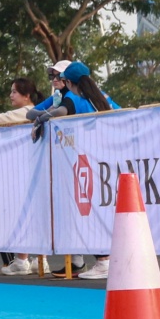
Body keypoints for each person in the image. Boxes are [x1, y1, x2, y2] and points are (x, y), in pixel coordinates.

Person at [35, 61, 119, 281]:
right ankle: (103, 260)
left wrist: (40, 120)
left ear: (68, 82)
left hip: (85, 161)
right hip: (107, 159)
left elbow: (59, 112)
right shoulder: (103, 96)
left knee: (87, 211)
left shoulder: (73, 97)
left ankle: (103, 261)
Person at [0, 77, 43, 276]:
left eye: (14, 91)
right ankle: (39, 260)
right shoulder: (38, 110)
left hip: (24, 171)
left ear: (27, 96)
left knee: (21, 214)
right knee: (35, 216)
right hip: (34, 169)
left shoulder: (26, 111)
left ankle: (22, 260)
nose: (11, 95)